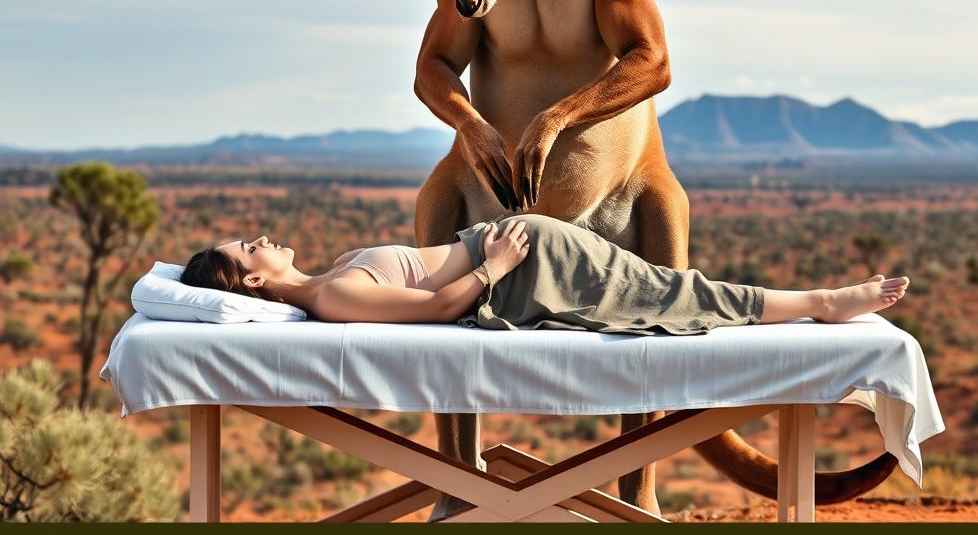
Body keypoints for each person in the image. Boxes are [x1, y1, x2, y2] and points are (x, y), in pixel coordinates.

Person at [180, 213, 910, 336]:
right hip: (525, 269)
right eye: (250, 247)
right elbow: (435, 312)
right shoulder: (331, 294)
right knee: (671, 294)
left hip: (521, 252)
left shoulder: (328, 279)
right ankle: (823, 301)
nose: (263, 237)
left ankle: (819, 299)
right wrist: (496, 265)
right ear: (249, 283)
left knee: (664, 288)